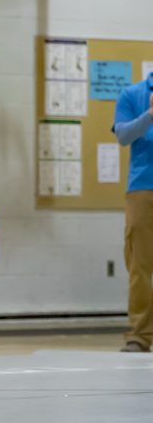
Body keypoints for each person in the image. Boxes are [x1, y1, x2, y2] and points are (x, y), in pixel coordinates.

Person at [113, 71, 153, 353]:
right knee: (140, 265)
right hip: (143, 187)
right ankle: (140, 335)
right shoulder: (132, 94)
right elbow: (124, 135)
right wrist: (150, 113)